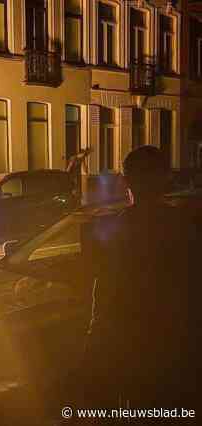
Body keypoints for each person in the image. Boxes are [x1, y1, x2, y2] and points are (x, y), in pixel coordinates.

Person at [80, 146, 198, 416]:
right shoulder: (187, 229)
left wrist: (93, 347)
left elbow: (105, 296)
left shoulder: (113, 232)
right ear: (166, 178)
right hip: (178, 354)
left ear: (127, 181)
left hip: (131, 351)